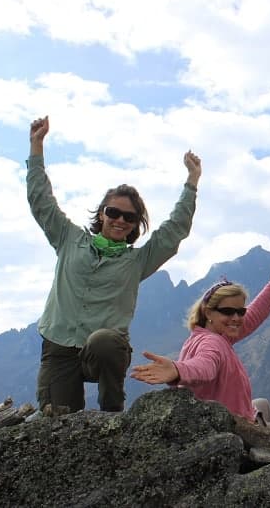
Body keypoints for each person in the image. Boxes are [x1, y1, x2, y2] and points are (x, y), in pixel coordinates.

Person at [27, 115, 202, 413]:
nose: (120, 220)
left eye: (130, 217)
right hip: (59, 344)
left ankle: (113, 415)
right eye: (114, 212)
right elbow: (41, 201)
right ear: (102, 214)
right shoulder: (69, 239)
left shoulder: (136, 261)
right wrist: (36, 147)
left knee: (105, 341)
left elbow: (174, 231)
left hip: (105, 352)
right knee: (57, 420)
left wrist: (191, 182)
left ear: (136, 224)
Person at [129, 239, 270, 422]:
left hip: (218, 418)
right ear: (208, 312)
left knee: (261, 404)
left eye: (240, 311)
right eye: (228, 312)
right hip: (230, 426)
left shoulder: (214, 335)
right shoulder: (213, 343)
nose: (237, 318)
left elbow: (258, 311)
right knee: (265, 412)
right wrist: (178, 370)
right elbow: (205, 366)